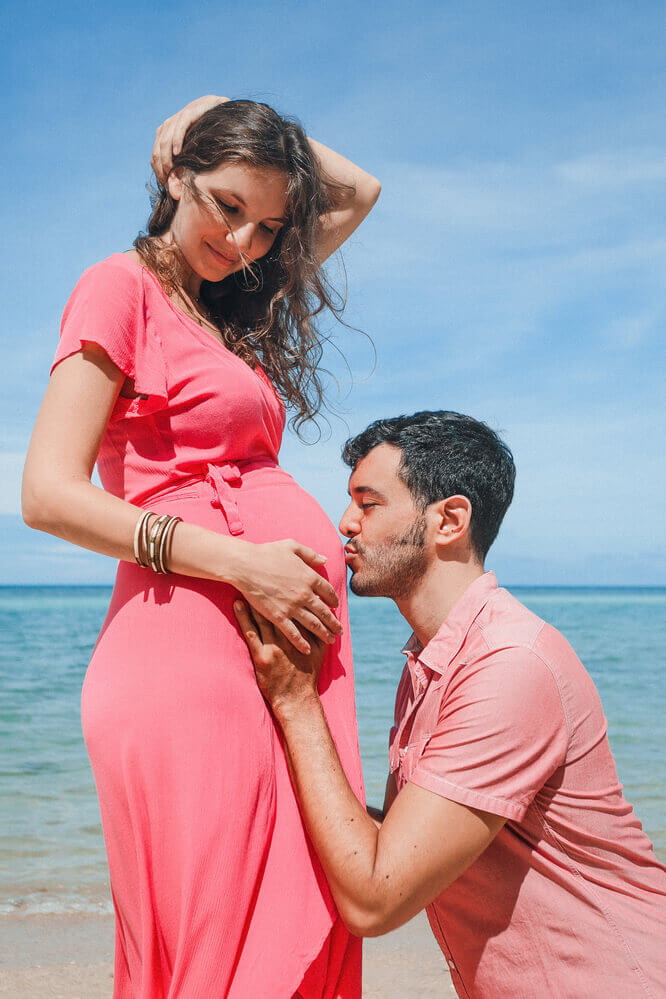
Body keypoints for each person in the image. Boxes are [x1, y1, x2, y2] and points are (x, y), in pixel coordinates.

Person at [22, 95, 380, 998]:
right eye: (226, 205)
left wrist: (216, 102)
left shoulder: (227, 306)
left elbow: (358, 190)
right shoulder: (121, 286)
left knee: (296, 911)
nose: (244, 241)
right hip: (185, 649)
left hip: (268, 653)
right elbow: (47, 494)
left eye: (267, 226)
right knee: (220, 937)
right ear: (174, 175)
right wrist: (242, 562)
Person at [234, 409, 666, 999]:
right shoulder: (434, 660)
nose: (345, 523)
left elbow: (376, 895)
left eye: (369, 503)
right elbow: (404, 839)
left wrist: (297, 701)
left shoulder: (509, 665)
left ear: (449, 520)